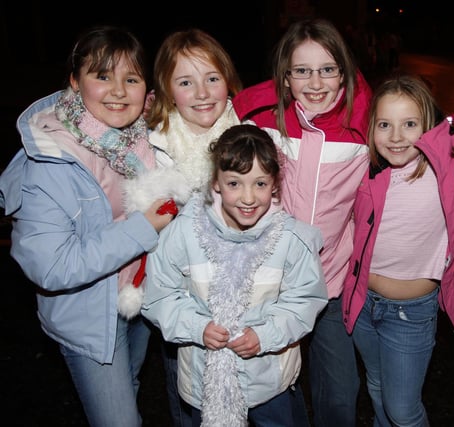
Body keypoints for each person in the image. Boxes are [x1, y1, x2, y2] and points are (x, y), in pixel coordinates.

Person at [0, 26, 174, 426]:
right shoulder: (51, 160)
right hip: (91, 312)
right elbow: (52, 267)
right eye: (102, 75)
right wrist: (145, 226)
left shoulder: (142, 138)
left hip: (139, 297)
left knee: (128, 384)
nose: (118, 90)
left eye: (131, 79)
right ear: (75, 82)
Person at [232, 18, 372, 427]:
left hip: (329, 284)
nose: (315, 82)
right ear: (285, 77)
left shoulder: (366, 123)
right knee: (271, 388)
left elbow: (419, 140)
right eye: (302, 70)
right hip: (270, 282)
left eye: (328, 69)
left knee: (340, 393)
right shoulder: (259, 118)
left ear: (345, 72)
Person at [140, 124, 328, 427]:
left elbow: (303, 301)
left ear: (275, 184)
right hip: (203, 381)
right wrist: (197, 327)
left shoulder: (293, 239)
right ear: (215, 183)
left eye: (260, 184)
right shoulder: (184, 234)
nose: (248, 197)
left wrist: (265, 335)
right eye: (234, 183)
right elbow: (159, 297)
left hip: (270, 381)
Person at [125, 28, 242, 427]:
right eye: (186, 82)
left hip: (239, 288)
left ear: (228, 79)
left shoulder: (251, 136)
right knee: (186, 394)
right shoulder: (149, 143)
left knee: (249, 393)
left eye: (212, 78)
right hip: (177, 294)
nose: (204, 92)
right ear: (167, 91)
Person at [342, 74, 454, 426]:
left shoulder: (450, 171)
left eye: (409, 124)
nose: (396, 137)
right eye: (385, 124)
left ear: (428, 128)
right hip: (363, 305)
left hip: (410, 314)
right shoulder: (368, 173)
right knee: (377, 387)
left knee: (402, 408)